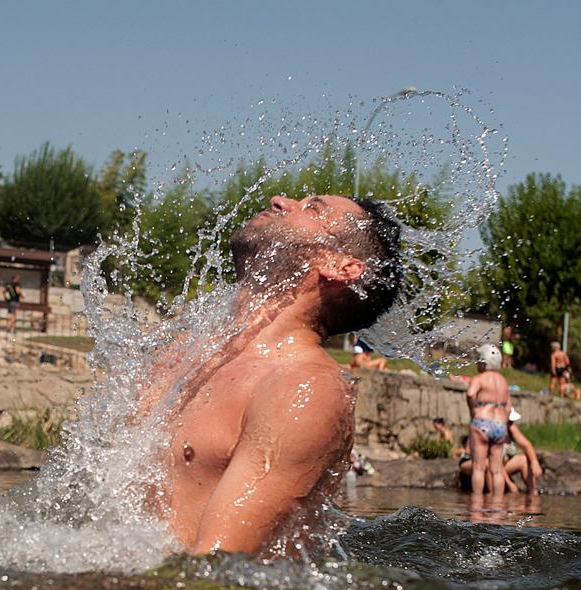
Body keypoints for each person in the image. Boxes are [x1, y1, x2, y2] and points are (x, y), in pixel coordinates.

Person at [153, 194, 402, 555]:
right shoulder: (183, 353)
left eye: (313, 209)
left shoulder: (306, 389)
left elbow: (215, 570)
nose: (280, 200)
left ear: (342, 266)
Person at [466, 343, 512, 497]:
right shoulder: (504, 382)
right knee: (497, 469)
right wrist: (503, 423)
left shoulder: (479, 378)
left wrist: (474, 411)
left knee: (478, 467)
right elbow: (508, 408)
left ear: (484, 362)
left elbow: (470, 394)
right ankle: (498, 507)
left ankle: (477, 507)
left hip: (482, 422)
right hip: (500, 425)